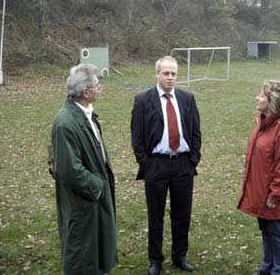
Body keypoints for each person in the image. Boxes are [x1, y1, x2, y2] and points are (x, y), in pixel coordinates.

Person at [131, 56, 201, 275]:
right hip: (156, 166)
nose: (170, 78)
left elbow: (196, 132)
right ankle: (155, 259)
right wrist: (147, 165)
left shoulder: (187, 98)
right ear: (157, 74)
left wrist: (193, 160)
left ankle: (179, 256)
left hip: (182, 165)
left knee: (182, 214)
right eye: (166, 73)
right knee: (156, 215)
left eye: (173, 74)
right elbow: (137, 137)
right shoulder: (143, 100)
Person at [51, 64, 117, 275]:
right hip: (83, 204)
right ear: (86, 92)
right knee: (82, 258)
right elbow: (68, 170)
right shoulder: (65, 123)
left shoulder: (87, 114)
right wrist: (98, 186)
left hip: (93, 203)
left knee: (96, 254)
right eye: (98, 85)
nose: (100, 88)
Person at [238, 80, 280, 275]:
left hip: (274, 194)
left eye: (261, 95)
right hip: (261, 189)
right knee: (267, 229)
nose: (257, 97)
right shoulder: (265, 122)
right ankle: (267, 267)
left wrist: (276, 194)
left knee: (278, 232)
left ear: (272, 101)